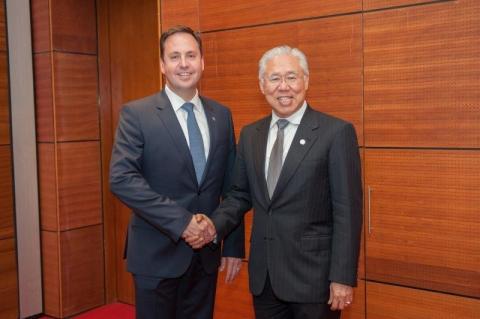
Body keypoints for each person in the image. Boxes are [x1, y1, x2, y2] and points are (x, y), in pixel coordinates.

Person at [186, 45, 362, 319]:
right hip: (265, 278)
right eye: (275, 78)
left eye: (292, 77)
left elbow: (347, 211)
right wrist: (212, 225)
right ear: (262, 85)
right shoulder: (250, 135)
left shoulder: (335, 133)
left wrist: (342, 276)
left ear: (306, 80)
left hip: (314, 280)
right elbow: (239, 196)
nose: (284, 87)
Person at [109, 25, 244, 319]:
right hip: (155, 257)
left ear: (202, 62)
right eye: (175, 56)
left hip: (206, 258)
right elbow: (122, 179)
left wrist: (230, 242)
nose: (184, 63)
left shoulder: (221, 115)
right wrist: (183, 222)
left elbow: (234, 187)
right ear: (162, 65)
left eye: (191, 55)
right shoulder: (137, 114)